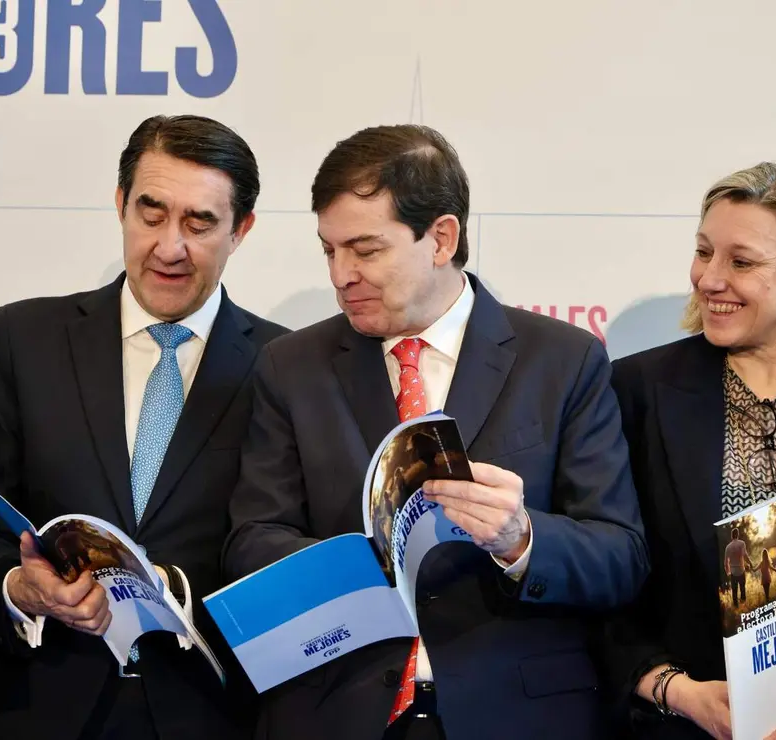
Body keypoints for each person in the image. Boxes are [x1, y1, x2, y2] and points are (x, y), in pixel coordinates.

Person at [223, 124, 649, 740]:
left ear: (441, 238)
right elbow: (252, 540)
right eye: (329, 250)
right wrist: (355, 568)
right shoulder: (291, 367)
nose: (342, 275)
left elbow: (620, 556)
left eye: (366, 250)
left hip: (514, 714)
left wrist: (521, 538)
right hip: (337, 711)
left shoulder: (562, 360)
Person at [0, 114, 289, 740]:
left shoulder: (287, 367)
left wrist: (178, 594)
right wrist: (18, 587)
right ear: (120, 205)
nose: (168, 246)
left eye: (199, 223)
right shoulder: (24, 339)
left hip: (207, 713)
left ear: (240, 230)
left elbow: (289, 552)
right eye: (151, 213)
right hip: (32, 705)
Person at [601, 160, 776, 739]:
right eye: (704, 252)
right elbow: (605, 583)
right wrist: (676, 691)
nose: (708, 279)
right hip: (688, 725)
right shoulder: (635, 390)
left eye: (741, 262)